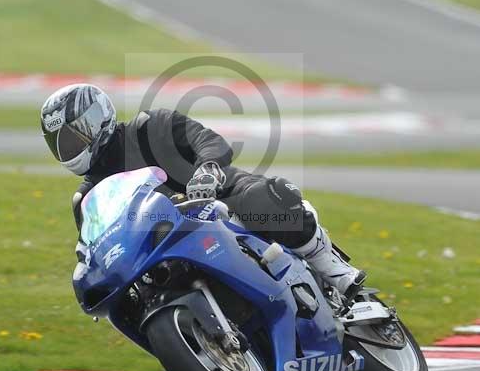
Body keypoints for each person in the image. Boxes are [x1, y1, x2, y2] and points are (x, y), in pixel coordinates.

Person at [41, 83, 365, 297]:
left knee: (254, 198)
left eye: (72, 138)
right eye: (59, 144)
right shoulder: (87, 199)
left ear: (97, 121)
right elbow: (94, 247)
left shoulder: (151, 126)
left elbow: (208, 141)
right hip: (164, 246)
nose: (67, 149)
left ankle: (325, 261)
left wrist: (207, 169)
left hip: (217, 199)